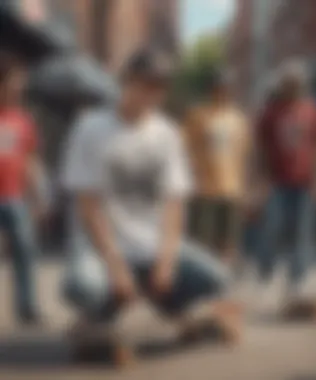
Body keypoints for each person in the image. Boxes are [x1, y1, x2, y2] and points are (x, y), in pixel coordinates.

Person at [61, 50, 242, 366]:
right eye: (145, 83)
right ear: (126, 81)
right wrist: (115, 264)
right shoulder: (91, 128)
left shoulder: (167, 134)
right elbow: (88, 204)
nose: (151, 92)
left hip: (149, 246)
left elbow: (174, 204)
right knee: (84, 285)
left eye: (160, 85)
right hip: (102, 249)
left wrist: (167, 260)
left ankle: (172, 306)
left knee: (217, 278)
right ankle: (97, 319)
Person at [254, 61, 316, 320]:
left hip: (305, 182)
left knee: (303, 232)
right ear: (283, 85)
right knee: (273, 228)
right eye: (288, 82)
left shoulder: (313, 111)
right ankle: (266, 272)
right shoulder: (271, 111)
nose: (293, 86)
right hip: (278, 181)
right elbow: (261, 148)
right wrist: (261, 179)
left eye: (296, 82)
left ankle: (297, 280)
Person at [184, 70, 250, 266]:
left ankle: (225, 276)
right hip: (205, 189)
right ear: (211, 91)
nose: (222, 93)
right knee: (203, 240)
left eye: (226, 89)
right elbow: (187, 149)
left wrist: (247, 186)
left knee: (229, 240)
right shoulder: (198, 116)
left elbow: (243, 154)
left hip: (232, 188)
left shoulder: (238, 119)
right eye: (219, 89)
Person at [0, 52, 46, 325]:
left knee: (25, 251)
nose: (20, 87)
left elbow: (30, 160)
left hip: (14, 197)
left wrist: (38, 196)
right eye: (15, 81)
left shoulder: (23, 120)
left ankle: (27, 308)